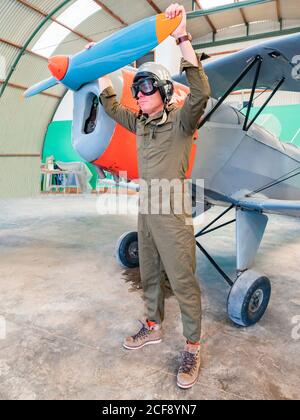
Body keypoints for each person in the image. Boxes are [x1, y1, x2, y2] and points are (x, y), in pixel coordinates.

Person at [88, 3, 211, 389]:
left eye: (144, 87)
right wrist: (100, 65)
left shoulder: (181, 121)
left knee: (183, 277)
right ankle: (153, 325)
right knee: (150, 272)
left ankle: (192, 345)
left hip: (172, 208)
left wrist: (182, 36)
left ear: (160, 91)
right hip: (147, 205)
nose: (138, 95)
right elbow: (110, 106)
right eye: (136, 89)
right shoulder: (139, 122)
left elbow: (201, 92)